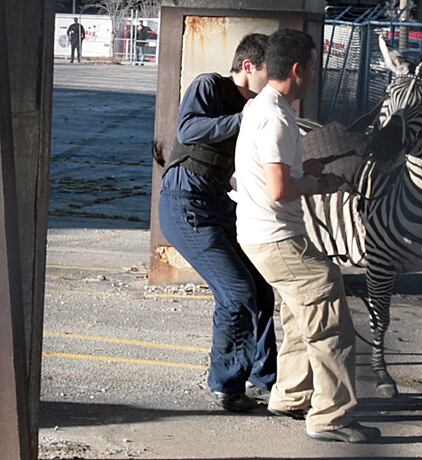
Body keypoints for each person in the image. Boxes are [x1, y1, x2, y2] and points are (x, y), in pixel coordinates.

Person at [235, 28, 381, 443]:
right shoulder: (279, 117)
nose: (315, 75)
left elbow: (273, 173)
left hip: (259, 234)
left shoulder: (261, 107)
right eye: (314, 68)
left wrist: (310, 172)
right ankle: (331, 417)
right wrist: (322, 185)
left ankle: (291, 394)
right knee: (330, 315)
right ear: (297, 70)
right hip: (278, 235)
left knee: (302, 312)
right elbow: (279, 188)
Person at [159, 33, 277, 412]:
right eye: (267, 72)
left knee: (260, 289)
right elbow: (188, 130)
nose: (271, 82)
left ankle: (266, 381)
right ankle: (227, 386)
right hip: (186, 202)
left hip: (217, 203)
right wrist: (244, 118)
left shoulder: (255, 105)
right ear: (248, 67)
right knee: (237, 290)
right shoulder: (210, 86)